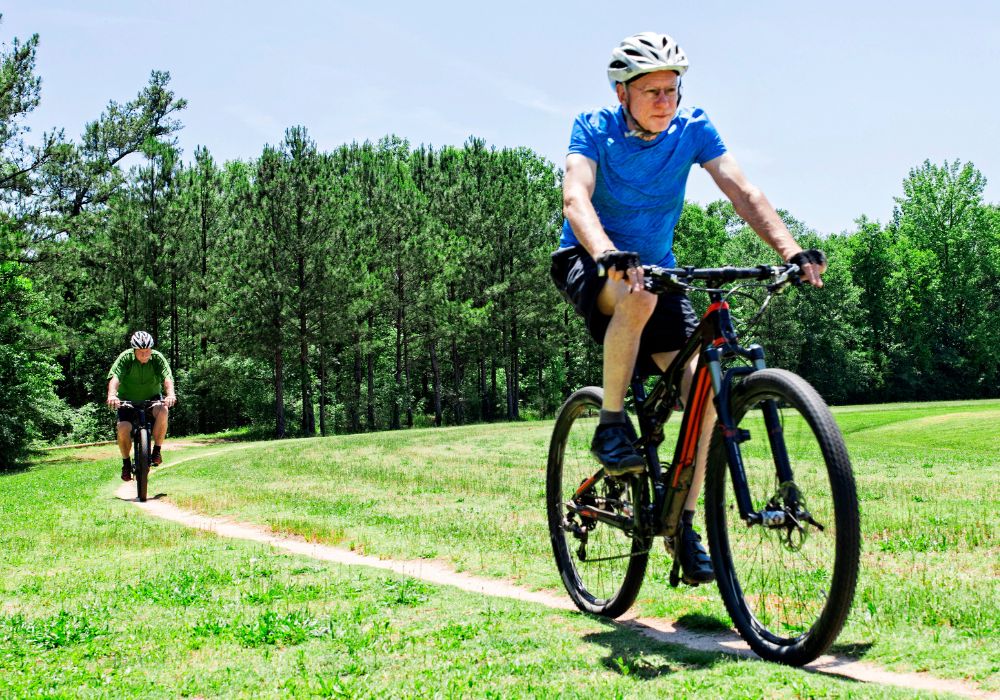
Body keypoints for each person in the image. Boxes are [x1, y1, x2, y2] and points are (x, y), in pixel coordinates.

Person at [551, 32, 826, 585]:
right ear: (622, 93)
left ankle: (683, 523)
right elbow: (576, 197)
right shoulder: (594, 128)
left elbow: (741, 189)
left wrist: (790, 250)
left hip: (658, 267)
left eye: (671, 89)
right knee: (639, 293)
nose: (663, 100)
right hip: (592, 260)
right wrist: (606, 253)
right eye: (650, 90)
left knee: (702, 389)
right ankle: (609, 424)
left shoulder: (693, 127)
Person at [105, 331, 177, 481]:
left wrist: (170, 394)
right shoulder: (126, 358)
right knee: (123, 428)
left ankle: (156, 450)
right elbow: (115, 378)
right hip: (127, 402)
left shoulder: (157, 358)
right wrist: (112, 395)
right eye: (141, 352)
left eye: (147, 351)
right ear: (134, 350)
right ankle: (126, 463)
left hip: (152, 401)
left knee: (163, 410)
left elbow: (167, 378)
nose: (145, 355)